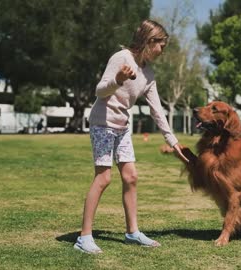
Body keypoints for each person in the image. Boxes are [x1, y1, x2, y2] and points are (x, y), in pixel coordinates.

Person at [73, 19, 189, 254]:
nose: (163, 51)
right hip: (103, 123)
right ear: (150, 41)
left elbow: (157, 110)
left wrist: (172, 141)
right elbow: (100, 90)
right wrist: (119, 80)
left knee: (131, 177)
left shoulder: (148, 73)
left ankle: (132, 233)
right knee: (103, 178)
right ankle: (84, 237)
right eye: (162, 45)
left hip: (123, 127)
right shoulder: (120, 58)